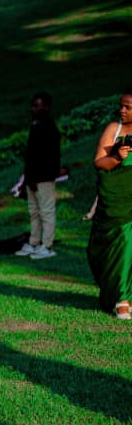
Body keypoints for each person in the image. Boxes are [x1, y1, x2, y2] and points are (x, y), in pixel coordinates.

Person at [87, 92, 132, 319]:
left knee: (128, 241)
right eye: (121, 106)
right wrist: (116, 158)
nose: (122, 111)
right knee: (112, 245)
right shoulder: (113, 129)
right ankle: (118, 295)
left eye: (128, 107)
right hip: (113, 200)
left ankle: (124, 299)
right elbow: (99, 162)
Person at [13, 92, 60, 259]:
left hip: (43, 177)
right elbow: (31, 155)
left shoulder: (48, 126)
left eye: (37, 105)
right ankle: (34, 243)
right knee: (34, 212)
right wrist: (27, 179)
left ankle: (47, 246)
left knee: (46, 211)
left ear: (46, 107)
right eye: (32, 105)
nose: (33, 108)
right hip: (32, 178)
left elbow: (47, 156)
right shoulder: (35, 124)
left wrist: (36, 177)